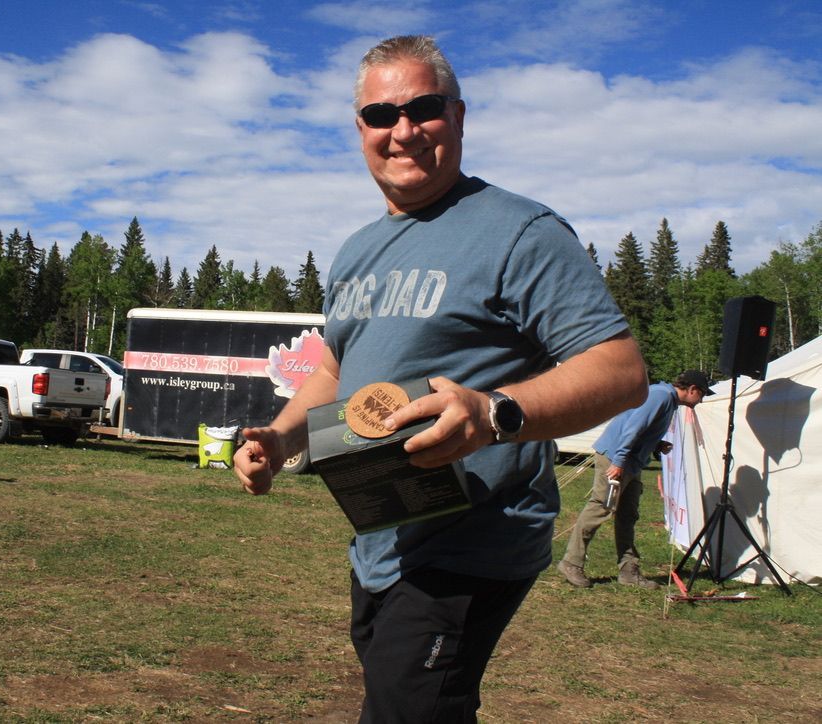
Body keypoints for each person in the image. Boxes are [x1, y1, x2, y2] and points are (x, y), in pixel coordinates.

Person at [233, 35, 648, 722]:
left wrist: (492, 413)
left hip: (474, 538)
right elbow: (335, 365)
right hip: (381, 532)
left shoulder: (521, 231)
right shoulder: (357, 250)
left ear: (458, 116)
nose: (403, 131)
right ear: (360, 129)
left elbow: (621, 370)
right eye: (381, 115)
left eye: (423, 108)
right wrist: (279, 439)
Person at [558, 370, 714, 589]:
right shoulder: (660, 396)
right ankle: (571, 563)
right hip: (617, 458)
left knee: (628, 515)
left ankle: (628, 571)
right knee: (600, 508)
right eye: (702, 394)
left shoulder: (667, 400)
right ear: (692, 389)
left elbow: (642, 429)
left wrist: (657, 445)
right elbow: (633, 428)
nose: (701, 400)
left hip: (630, 462)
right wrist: (619, 461)